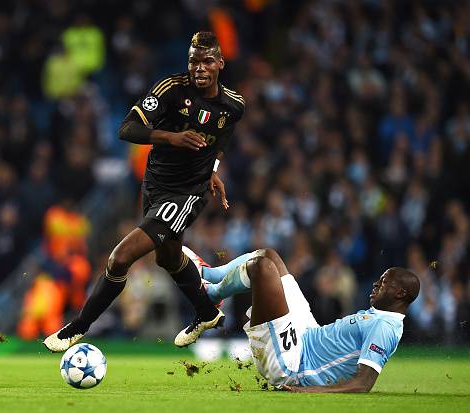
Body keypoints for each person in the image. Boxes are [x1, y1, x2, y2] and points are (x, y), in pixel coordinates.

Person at [44, 31, 245, 352]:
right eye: (194, 61)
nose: (200, 68)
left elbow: (222, 136)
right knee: (168, 258)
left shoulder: (234, 105)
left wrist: (213, 171)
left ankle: (78, 326)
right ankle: (207, 312)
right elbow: (127, 128)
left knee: (120, 257)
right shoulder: (171, 90)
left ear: (220, 63)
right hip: (155, 183)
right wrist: (172, 137)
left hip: (187, 193)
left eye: (207, 61)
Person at [185, 247, 420, 392]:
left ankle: (210, 296)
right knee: (271, 257)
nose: (376, 284)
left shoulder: (385, 327)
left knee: (263, 269)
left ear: (400, 293)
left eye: (384, 282)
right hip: (307, 333)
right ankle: (209, 277)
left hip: (295, 365)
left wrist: (311, 391)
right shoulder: (381, 317)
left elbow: (363, 383)